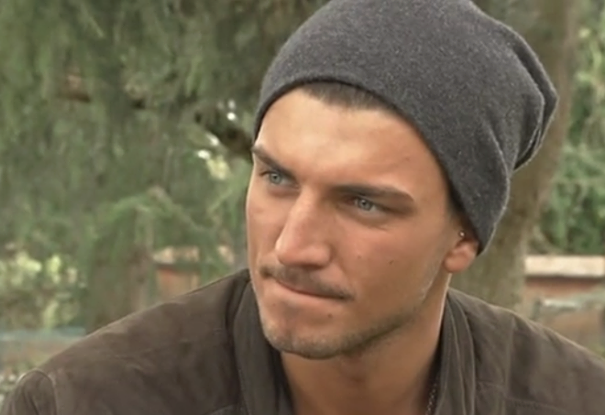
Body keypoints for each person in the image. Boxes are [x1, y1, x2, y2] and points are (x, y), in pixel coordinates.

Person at [3, 0, 605, 414]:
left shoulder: (574, 401)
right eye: (277, 178)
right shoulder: (85, 401)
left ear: (464, 234)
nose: (293, 247)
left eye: (363, 203)